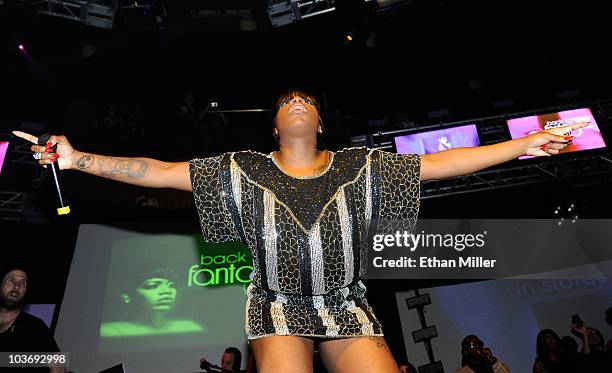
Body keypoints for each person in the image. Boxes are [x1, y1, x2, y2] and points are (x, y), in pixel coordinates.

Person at [13, 89, 585, 373]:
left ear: (319, 121)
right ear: (276, 124)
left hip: (347, 306)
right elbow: (158, 172)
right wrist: (78, 158)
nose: (297, 104)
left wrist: (522, 144)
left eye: (306, 101)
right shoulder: (242, 169)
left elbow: (439, 163)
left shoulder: (359, 165)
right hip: (277, 305)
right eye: (288, 102)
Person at [100, 265, 203, 337]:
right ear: (127, 297)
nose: (167, 291)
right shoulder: (108, 332)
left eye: (172, 286)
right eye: (152, 286)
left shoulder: (189, 327)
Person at [0, 267, 66, 373]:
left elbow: (59, 366)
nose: (17, 286)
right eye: (11, 280)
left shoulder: (35, 327)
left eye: (23, 283)